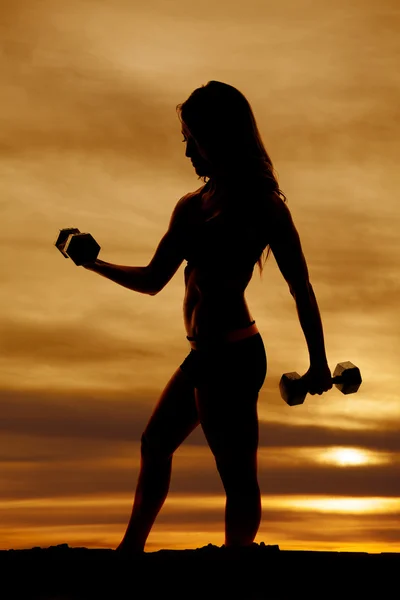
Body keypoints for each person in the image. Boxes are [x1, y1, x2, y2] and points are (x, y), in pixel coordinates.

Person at [81, 81, 333, 554]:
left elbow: (302, 288)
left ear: (217, 137)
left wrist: (319, 364)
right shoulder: (191, 207)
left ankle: (234, 564)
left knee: (235, 474)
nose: (187, 152)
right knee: (155, 443)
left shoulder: (264, 206)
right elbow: (154, 278)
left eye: (191, 139)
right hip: (203, 354)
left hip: (235, 354)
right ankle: (128, 553)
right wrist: (93, 262)